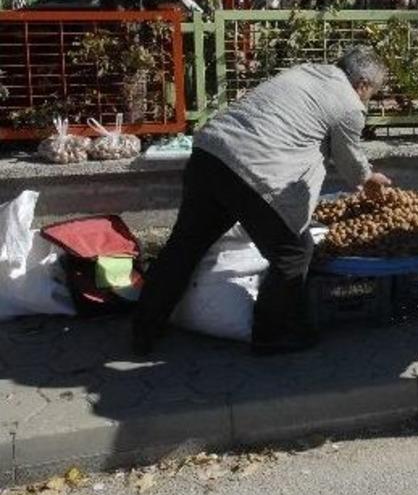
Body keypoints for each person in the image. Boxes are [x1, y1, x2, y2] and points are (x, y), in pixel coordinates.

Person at [133, 48, 393, 356]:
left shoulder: (306, 70)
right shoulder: (349, 103)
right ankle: (273, 335)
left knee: (185, 245)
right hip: (253, 171)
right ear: (363, 84)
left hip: (211, 155)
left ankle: (144, 329)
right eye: (372, 93)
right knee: (294, 253)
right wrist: (369, 178)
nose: (368, 99)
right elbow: (348, 158)